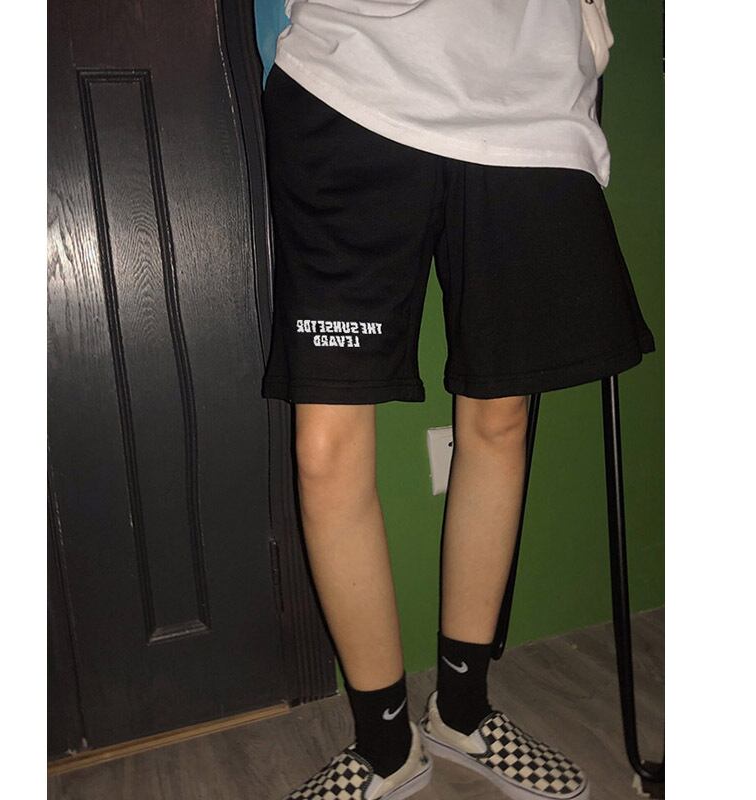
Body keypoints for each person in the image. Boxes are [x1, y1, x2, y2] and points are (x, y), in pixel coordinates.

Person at [258, 1, 655, 798]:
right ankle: (384, 747)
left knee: (502, 419)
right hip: (350, 77)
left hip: (530, 92)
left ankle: (462, 711)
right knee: (325, 448)